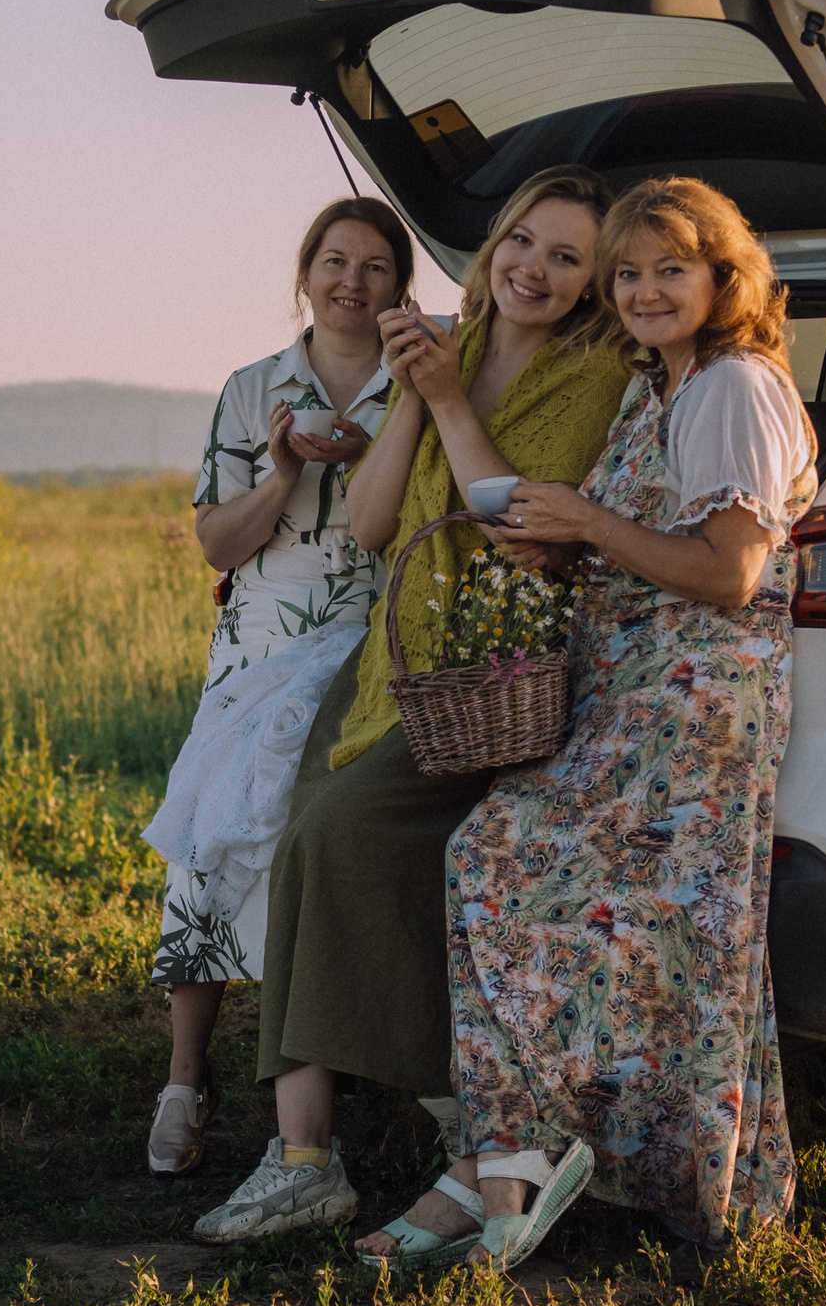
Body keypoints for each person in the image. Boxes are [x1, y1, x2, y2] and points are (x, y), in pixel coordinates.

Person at [189, 167, 632, 1245]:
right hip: (396, 666)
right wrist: (417, 391)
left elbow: (512, 518)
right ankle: (303, 1157)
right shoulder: (458, 344)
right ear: (492, 249)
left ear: (588, 286)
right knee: (306, 844)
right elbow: (383, 525)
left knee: (341, 840)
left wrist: (439, 400)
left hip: (489, 678)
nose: (533, 268)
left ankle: (466, 1122)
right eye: (521, 242)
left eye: (565, 257)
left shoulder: (593, 374)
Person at [437, 174, 819, 1272]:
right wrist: (567, 542)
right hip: (635, 689)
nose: (646, 291)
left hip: (697, 703)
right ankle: (540, 1155)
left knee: (518, 869)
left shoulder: (736, 388)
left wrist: (591, 520)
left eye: (670, 269)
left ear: (720, 275)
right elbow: (650, 541)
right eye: (629, 273)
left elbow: (733, 571)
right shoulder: (665, 387)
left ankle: (576, 1163)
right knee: (643, 940)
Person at [145, 195, 414, 1178]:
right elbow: (214, 542)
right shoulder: (253, 386)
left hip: (376, 636)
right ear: (305, 272)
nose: (351, 281)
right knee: (214, 844)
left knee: (319, 846)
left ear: (399, 285)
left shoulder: (416, 384)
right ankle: (184, 1077)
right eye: (334, 261)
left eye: (374, 266)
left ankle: (326, 1081)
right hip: (261, 634)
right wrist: (283, 474)